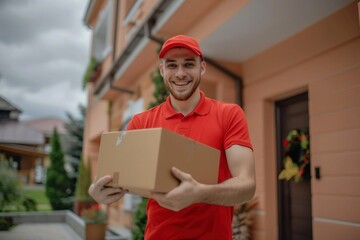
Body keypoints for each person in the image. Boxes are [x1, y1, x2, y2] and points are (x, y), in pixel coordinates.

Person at [89, 35, 256, 239]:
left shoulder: (228, 114)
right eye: (172, 65)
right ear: (162, 70)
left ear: (202, 68)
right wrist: (97, 192)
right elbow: (112, 178)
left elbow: (247, 185)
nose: (180, 73)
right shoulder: (141, 123)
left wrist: (201, 193)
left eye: (188, 64)